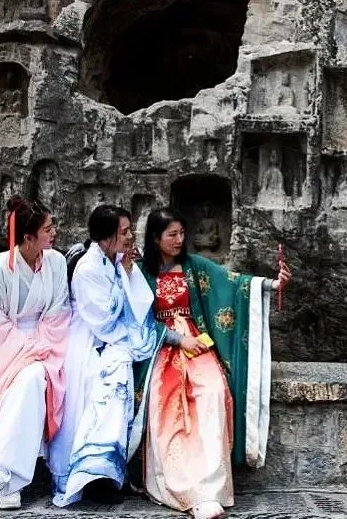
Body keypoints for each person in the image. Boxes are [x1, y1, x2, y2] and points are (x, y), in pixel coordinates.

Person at [130, 208, 291, 519]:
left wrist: (273, 285)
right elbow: (136, 319)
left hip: (196, 343)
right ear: (155, 238)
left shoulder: (194, 266)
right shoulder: (140, 273)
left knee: (214, 392)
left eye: (181, 233)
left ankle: (210, 489)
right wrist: (175, 339)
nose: (180, 240)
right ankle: (182, 487)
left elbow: (234, 283)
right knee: (166, 404)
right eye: (172, 235)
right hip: (160, 346)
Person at [0, 195, 70, 510]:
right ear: (28, 237)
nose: (54, 233)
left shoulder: (56, 262)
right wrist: (27, 349)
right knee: (30, 379)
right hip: (5, 349)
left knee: (34, 376)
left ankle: (2, 471)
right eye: (48, 229)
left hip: (47, 344)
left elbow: (59, 314)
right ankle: (8, 479)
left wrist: (40, 346)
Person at [48, 205, 158, 507]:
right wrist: (124, 274)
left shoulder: (116, 260)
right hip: (89, 341)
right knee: (108, 383)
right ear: (107, 237)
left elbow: (138, 302)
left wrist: (126, 271)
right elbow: (104, 319)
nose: (130, 236)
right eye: (124, 232)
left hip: (113, 340)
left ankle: (107, 473)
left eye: (129, 230)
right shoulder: (88, 268)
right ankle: (89, 474)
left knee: (120, 371)